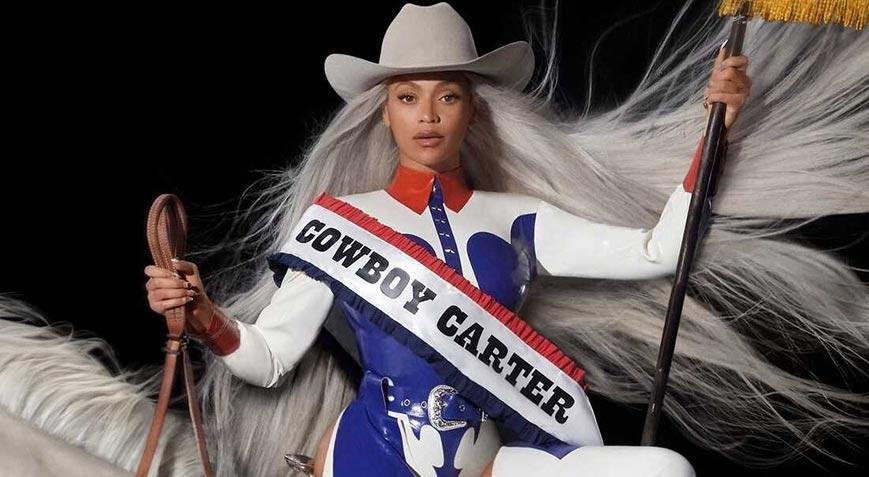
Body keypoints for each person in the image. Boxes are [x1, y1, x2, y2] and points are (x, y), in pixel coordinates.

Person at [1, 1, 867, 476]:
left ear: (471, 110)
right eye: (408, 97)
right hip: (367, 462)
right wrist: (202, 316)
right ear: (384, 112)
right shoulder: (337, 226)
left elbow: (656, 253)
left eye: (446, 96)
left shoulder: (518, 220)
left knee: (660, 473)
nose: (427, 114)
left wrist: (715, 133)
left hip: (489, 459)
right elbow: (266, 360)